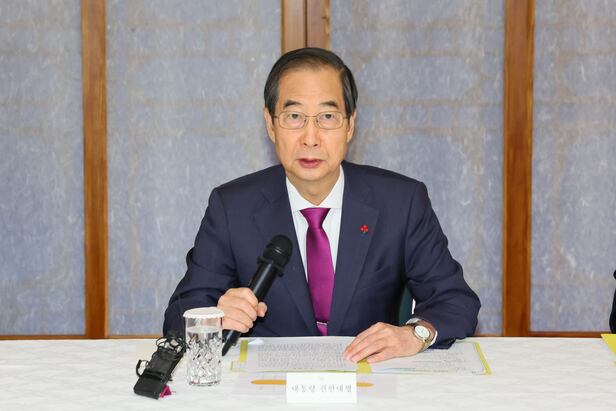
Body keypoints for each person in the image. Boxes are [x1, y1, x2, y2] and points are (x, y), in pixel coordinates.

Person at [164, 47, 480, 363]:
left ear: (350, 124)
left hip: (369, 379)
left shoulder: (401, 202)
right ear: (270, 124)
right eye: (294, 117)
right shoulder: (232, 207)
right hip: (269, 383)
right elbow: (180, 314)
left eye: (327, 117)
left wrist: (415, 334)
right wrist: (215, 316)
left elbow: (455, 300)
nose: (311, 138)